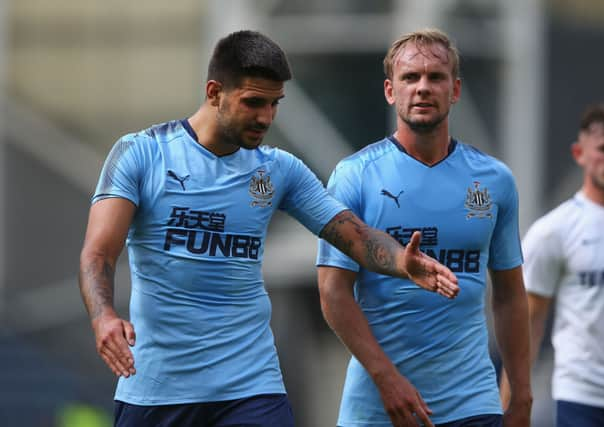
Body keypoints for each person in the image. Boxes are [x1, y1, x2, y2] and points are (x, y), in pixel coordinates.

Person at [77, 30, 459, 427]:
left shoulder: (278, 170)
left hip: (251, 389)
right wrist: (103, 316)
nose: (266, 117)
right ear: (214, 92)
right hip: (157, 389)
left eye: (274, 104)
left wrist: (401, 261)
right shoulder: (142, 153)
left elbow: (355, 235)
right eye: (253, 103)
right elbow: (98, 253)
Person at [316, 28, 532, 427]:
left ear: (455, 90)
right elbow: (333, 293)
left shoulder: (494, 180)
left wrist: (520, 393)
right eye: (410, 77)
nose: (422, 88)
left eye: (436, 77)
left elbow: (510, 297)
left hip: (473, 404)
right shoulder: (354, 176)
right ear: (389, 91)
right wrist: (387, 379)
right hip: (379, 406)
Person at [500, 103, 604, 427]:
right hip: (584, 398)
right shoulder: (555, 230)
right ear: (580, 153)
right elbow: (527, 322)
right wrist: (510, 403)